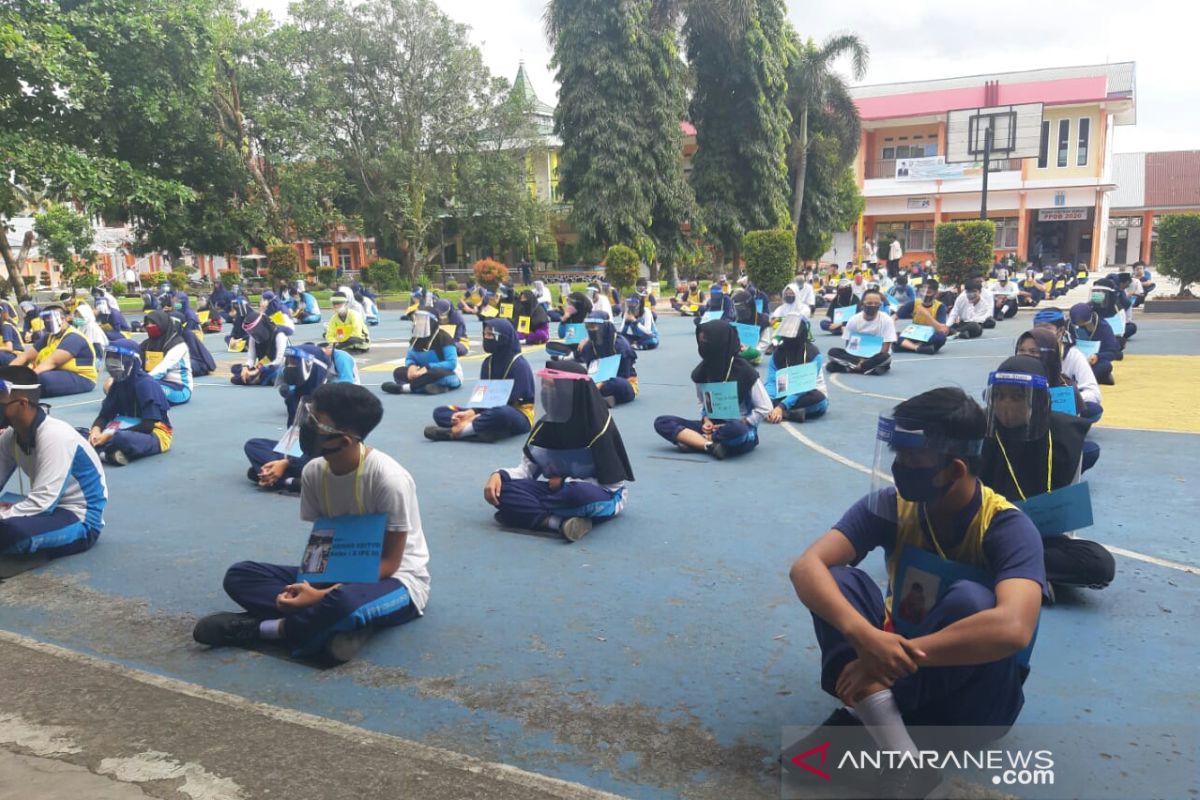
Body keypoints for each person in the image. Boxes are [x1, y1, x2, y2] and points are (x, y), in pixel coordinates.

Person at [787, 388, 1043, 791]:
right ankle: (902, 754)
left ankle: (866, 712)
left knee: (972, 601)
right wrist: (866, 638)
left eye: (912, 459)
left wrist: (882, 661)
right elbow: (807, 568)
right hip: (895, 665)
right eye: (898, 455)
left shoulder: (1006, 528)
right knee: (838, 580)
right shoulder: (892, 506)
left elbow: (1014, 628)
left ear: (955, 469)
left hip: (975, 703)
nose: (899, 468)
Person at [194, 383, 429, 663]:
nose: (306, 425)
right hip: (336, 570)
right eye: (308, 415)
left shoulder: (389, 480)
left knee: (346, 603)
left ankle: (266, 629)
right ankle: (328, 626)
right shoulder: (314, 472)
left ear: (342, 441)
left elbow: (391, 562)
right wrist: (310, 587)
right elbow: (323, 542)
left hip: (396, 581)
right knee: (241, 575)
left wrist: (321, 596)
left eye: (315, 422)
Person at [980, 357, 1114, 600]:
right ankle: (1030, 579)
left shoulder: (1065, 436)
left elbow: (1067, 521)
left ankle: (1009, 575)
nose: (1006, 406)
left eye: (1017, 397)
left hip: (1042, 538)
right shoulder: (981, 433)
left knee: (1100, 564)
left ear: (1039, 400)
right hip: (990, 535)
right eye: (1000, 397)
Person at [484, 363, 634, 542]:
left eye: (552, 387)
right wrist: (499, 475)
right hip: (556, 493)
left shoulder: (598, 429)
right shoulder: (544, 427)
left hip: (598, 494)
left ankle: (529, 514)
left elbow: (612, 486)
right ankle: (558, 522)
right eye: (544, 386)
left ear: (570, 392)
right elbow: (526, 472)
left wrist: (565, 483)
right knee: (504, 491)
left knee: (576, 494)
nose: (546, 393)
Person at [0, 366, 107, 558]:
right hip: (47, 508)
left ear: (22, 404)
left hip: (78, 518)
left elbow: (42, 503)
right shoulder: (10, 436)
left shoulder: (55, 436)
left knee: (12, 532)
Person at [653, 320, 771, 460]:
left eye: (707, 340)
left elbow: (765, 407)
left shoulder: (745, 371)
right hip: (711, 425)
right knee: (662, 422)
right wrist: (706, 419)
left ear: (720, 341)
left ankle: (696, 441)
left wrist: (745, 422)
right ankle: (709, 445)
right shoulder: (702, 370)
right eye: (701, 340)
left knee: (736, 430)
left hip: (739, 427)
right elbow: (702, 402)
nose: (703, 344)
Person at [426, 319, 534, 443]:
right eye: (485, 334)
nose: (486, 338)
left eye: (491, 335)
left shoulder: (519, 365)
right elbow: (482, 396)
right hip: (486, 411)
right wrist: (471, 412)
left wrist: (475, 417)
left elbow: (512, 401)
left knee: (501, 413)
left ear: (503, 338)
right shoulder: (487, 363)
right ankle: (479, 429)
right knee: (440, 412)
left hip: (517, 413)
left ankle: (456, 433)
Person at [244, 344, 330, 494]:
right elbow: (293, 435)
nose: (289, 368)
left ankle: (285, 479)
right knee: (253, 445)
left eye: (294, 363)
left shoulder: (329, 399)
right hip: (297, 451)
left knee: (255, 471)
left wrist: (286, 462)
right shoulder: (295, 398)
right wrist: (286, 460)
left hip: (323, 455)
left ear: (312, 366)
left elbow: (327, 447)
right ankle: (287, 478)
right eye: (288, 362)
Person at [81, 340, 173, 466]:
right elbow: (104, 416)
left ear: (132, 361)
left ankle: (99, 452)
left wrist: (110, 435)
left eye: (117, 358)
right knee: (78, 433)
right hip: (119, 428)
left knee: (122, 439)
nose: (111, 362)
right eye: (110, 357)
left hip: (154, 433)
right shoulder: (117, 384)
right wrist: (96, 430)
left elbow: (148, 426)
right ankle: (108, 454)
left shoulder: (146, 385)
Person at [9, 305, 97, 398]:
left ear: (63, 318)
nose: (47, 322)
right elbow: (26, 356)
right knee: (20, 369)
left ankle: (14, 392)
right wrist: (6, 374)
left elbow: (52, 362)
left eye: (50, 319)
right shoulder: (49, 337)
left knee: (42, 379)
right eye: (45, 319)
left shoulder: (74, 337)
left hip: (81, 378)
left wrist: (27, 378)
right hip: (57, 373)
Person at [764, 314, 828, 424]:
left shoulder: (813, 354)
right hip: (782, 393)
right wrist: (770, 400)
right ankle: (790, 413)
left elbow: (803, 388)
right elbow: (771, 381)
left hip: (806, 393)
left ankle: (783, 412)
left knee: (820, 401)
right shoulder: (777, 353)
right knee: (758, 392)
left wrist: (781, 406)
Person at [381, 311, 463, 395]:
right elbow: (410, 358)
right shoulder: (415, 339)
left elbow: (451, 363)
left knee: (435, 374)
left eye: (423, 320)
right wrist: (411, 366)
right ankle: (429, 387)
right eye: (418, 319)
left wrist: (428, 367)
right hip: (422, 373)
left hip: (448, 373)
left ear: (432, 322)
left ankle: (405, 388)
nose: (419, 322)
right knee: (398, 372)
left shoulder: (444, 337)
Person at [826, 289, 896, 375]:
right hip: (855, 357)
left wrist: (865, 360)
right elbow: (848, 345)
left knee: (885, 357)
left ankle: (851, 368)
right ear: (862, 305)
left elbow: (885, 348)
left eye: (876, 304)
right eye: (869, 303)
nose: (873, 306)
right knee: (833, 352)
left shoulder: (887, 320)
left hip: (876, 356)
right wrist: (858, 360)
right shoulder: (853, 320)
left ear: (880, 305)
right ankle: (866, 368)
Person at [579, 311, 638, 407]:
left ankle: (595, 398)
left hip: (623, 382)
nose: (591, 330)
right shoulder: (589, 346)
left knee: (616, 385)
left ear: (604, 327)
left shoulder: (620, 345)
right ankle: (602, 399)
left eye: (594, 327)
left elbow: (625, 375)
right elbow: (591, 370)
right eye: (588, 327)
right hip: (597, 383)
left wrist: (603, 382)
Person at [140, 310, 193, 405]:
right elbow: (134, 360)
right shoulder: (147, 344)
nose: (149, 326)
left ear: (162, 324)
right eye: (147, 324)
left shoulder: (178, 345)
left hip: (179, 388)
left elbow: (162, 369)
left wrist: (140, 382)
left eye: (153, 323)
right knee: (115, 385)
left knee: (147, 389)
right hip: (152, 382)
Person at [231, 312, 290, 386]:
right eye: (250, 332)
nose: (252, 334)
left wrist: (258, 371)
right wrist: (245, 367)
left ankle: (260, 379)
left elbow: (280, 360)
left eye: (253, 331)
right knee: (236, 369)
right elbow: (251, 359)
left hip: (279, 366)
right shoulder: (253, 338)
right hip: (262, 366)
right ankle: (259, 379)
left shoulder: (280, 335)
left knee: (276, 372)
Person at [1069, 303, 1118, 386]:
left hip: (1093, 362)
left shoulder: (1103, 327)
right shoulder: (1068, 326)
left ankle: (1078, 380)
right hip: (1074, 361)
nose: (1080, 326)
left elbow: (1113, 352)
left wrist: (1098, 356)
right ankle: (1094, 378)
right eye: (1077, 324)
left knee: (1106, 366)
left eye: (1083, 323)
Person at [896, 279, 949, 354]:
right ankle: (918, 348)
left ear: (936, 293)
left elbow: (942, 329)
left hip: (930, 335)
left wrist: (927, 315)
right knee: (895, 338)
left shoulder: (940, 307)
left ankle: (910, 346)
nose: (925, 294)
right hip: (914, 334)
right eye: (923, 291)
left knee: (941, 338)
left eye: (929, 292)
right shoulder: (914, 303)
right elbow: (894, 317)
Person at [546, 291, 592, 362]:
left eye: (570, 304)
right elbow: (561, 335)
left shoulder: (589, 316)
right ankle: (573, 355)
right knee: (549, 346)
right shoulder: (569, 317)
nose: (568, 306)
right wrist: (564, 319)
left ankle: (574, 355)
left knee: (589, 348)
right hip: (570, 347)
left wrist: (586, 341)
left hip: (584, 345)